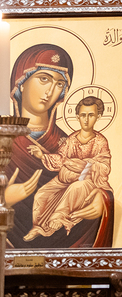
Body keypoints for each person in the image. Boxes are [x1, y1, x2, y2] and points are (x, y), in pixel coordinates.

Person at [6, 43, 113, 249]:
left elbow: (99, 175)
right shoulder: (4, 139)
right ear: (21, 81)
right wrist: (4, 200)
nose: (50, 91)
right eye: (44, 79)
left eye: (59, 83)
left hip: (66, 246)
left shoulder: (66, 140)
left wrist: (103, 200)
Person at [24, 95, 113, 242]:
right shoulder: (72, 139)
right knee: (42, 193)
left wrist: (85, 165)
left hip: (86, 182)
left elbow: (104, 165)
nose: (86, 119)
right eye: (83, 115)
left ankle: (57, 218)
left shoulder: (100, 142)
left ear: (98, 117)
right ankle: (38, 227)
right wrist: (42, 156)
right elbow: (61, 158)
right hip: (64, 180)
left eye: (91, 115)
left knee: (76, 187)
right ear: (77, 117)